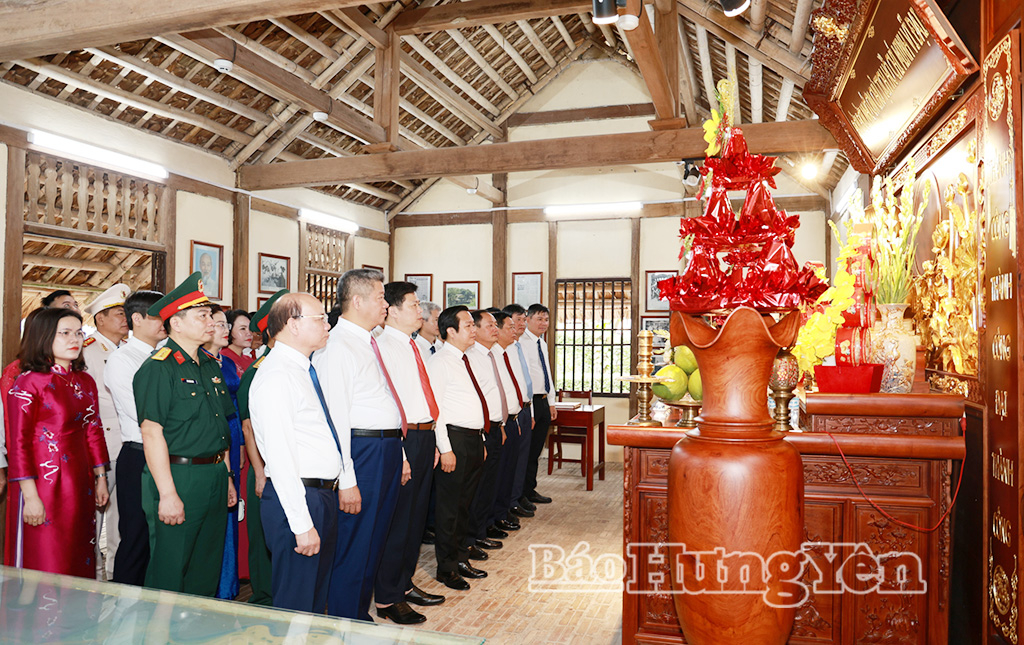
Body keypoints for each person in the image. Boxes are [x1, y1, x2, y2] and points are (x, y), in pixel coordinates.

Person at [313, 268, 409, 621]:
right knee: (355, 541)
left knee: (375, 537)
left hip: (382, 448)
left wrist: (398, 452)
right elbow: (337, 418)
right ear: (357, 301)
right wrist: (347, 478)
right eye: (381, 298)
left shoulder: (367, 341)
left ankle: (359, 612)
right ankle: (344, 617)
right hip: (361, 451)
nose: (386, 304)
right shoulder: (338, 346)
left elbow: (382, 401)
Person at [133, 272, 236, 595]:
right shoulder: (158, 368)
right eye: (201, 315)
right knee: (171, 566)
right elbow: (151, 434)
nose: (211, 322)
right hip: (179, 476)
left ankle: (194, 632)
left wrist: (228, 476)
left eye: (210, 315)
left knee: (206, 563)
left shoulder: (209, 365)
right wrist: (167, 494)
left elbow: (220, 427)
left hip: (214, 474)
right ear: (176, 323)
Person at [250, 292, 341, 613]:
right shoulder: (277, 376)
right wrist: (301, 524)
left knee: (315, 599)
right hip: (298, 499)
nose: (328, 324)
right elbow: (280, 458)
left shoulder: (301, 369)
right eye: (320, 318)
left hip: (318, 495)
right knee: (297, 604)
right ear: (292, 324)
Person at [5, 307, 110, 576]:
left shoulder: (84, 380)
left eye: (78, 332)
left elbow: (93, 430)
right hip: (42, 483)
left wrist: (100, 477)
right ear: (42, 337)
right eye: (64, 333)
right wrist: (30, 496)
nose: (74, 339)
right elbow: (18, 442)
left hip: (80, 480)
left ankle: (78, 617)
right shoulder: (28, 383)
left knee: (79, 554)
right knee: (47, 558)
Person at [373, 282, 446, 625]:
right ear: (393, 309)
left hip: (424, 437)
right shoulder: (384, 346)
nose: (421, 311)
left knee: (415, 520)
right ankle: (388, 597)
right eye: (414, 305)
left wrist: (433, 441)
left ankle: (403, 584)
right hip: (404, 440)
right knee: (399, 522)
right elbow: (390, 403)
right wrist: (402, 453)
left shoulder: (414, 345)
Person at [106, 289, 166, 586]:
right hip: (140, 454)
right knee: (137, 538)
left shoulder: (168, 355)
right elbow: (141, 414)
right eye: (157, 315)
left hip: (169, 453)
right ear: (137, 319)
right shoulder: (123, 360)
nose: (164, 321)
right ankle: (125, 612)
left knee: (161, 540)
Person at [426, 306, 489, 591]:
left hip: (473, 439)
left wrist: (482, 440)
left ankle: (462, 557)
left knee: (466, 505)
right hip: (454, 440)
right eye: (468, 325)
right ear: (450, 330)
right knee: (449, 509)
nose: (473, 329)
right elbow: (435, 410)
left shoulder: (466, 359)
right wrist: (445, 448)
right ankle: (447, 568)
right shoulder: (440, 362)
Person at [237, 291, 287, 606]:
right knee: (264, 537)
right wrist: (259, 472)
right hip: (266, 468)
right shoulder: (258, 371)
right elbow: (248, 427)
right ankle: (265, 596)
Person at [82, 282, 131, 580]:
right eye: (117, 314)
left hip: (127, 443)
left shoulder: (128, 351)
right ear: (100, 318)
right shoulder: (87, 352)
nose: (124, 319)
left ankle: (114, 573)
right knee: (94, 518)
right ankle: (93, 575)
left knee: (120, 517)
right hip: (101, 447)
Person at [460, 310, 512, 567]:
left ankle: (480, 531)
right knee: (477, 489)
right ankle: (471, 537)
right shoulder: (471, 357)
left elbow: (494, 395)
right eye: (489, 325)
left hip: (493, 426)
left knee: (489, 484)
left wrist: (500, 424)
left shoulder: (492, 355)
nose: (495, 329)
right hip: (479, 430)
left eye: (495, 325)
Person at [202, 306, 243, 600]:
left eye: (224, 324)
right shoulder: (202, 364)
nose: (223, 329)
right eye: (217, 324)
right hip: (217, 440)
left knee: (232, 507)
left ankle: (228, 584)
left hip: (235, 435)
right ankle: (216, 587)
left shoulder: (225, 363)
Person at [488, 310, 530, 536]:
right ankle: (493, 517)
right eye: (509, 327)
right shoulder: (489, 355)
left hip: (514, 418)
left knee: (508, 471)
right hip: (499, 423)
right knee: (497, 475)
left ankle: (502, 513)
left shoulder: (507, 352)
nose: (514, 331)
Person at [520, 303, 557, 507]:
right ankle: (521, 493)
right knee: (527, 451)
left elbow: (546, 374)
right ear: (528, 319)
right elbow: (526, 379)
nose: (544, 323)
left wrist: (551, 401)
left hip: (542, 400)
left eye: (546, 319)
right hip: (531, 401)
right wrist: (532, 410)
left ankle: (530, 488)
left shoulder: (541, 343)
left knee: (536, 451)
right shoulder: (523, 342)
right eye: (539, 319)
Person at [501, 303, 535, 525]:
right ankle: (509, 502)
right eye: (515, 322)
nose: (519, 326)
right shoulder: (503, 350)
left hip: (523, 408)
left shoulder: (518, 346)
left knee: (520, 459)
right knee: (508, 464)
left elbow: (524, 383)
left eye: (523, 321)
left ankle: (515, 497)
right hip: (508, 413)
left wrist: (529, 410)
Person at [221, 310, 254, 376]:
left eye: (250, 328)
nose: (249, 333)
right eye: (243, 329)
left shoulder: (249, 360)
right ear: (229, 330)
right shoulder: (222, 359)